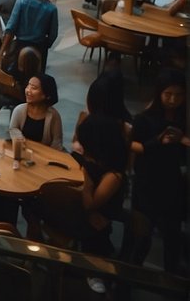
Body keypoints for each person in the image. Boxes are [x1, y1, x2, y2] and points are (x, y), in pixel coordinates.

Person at [69, 113, 148, 292]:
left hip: (96, 225)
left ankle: (94, 274)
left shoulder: (113, 176)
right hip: (90, 217)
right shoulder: (97, 161)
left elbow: (89, 204)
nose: (83, 147)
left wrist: (87, 180)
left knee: (43, 206)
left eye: (85, 143)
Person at [129, 70, 188, 274]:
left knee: (172, 239)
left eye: (179, 95)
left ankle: (171, 282)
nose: (173, 100)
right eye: (168, 94)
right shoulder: (145, 119)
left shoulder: (184, 121)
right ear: (159, 93)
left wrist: (182, 139)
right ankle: (129, 280)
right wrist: (156, 142)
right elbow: (134, 145)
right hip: (147, 183)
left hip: (173, 185)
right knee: (140, 239)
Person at [0, 0, 58, 71]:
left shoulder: (22, 1)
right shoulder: (51, 8)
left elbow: (11, 28)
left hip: (20, 46)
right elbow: (53, 35)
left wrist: (2, 51)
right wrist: (44, 45)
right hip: (39, 48)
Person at [9, 73, 64, 150]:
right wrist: (19, 139)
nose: (28, 90)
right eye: (28, 86)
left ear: (46, 95)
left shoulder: (53, 115)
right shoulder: (19, 110)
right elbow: (13, 129)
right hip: (22, 151)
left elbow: (57, 142)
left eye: (33, 88)